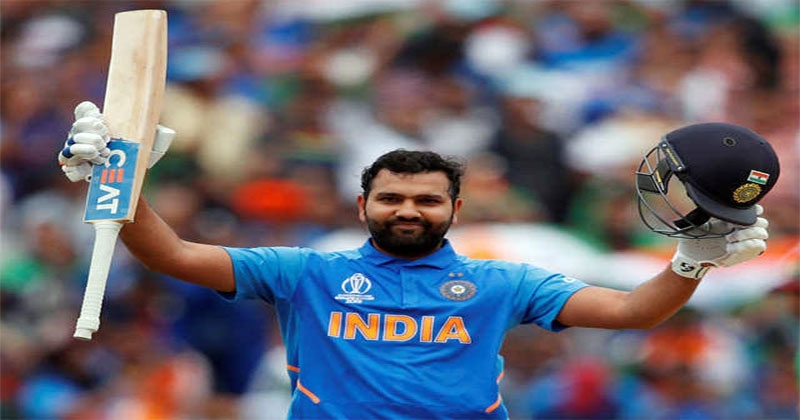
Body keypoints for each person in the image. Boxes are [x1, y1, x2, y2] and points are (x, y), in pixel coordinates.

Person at [58, 102, 777, 419]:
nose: (409, 210)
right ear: (362, 205)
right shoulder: (308, 273)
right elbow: (169, 252)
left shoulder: (501, 282)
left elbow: (631, 310)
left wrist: (691, 260)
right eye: (392, 197)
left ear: (455, 210)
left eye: (427, 200)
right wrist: (116, 180)